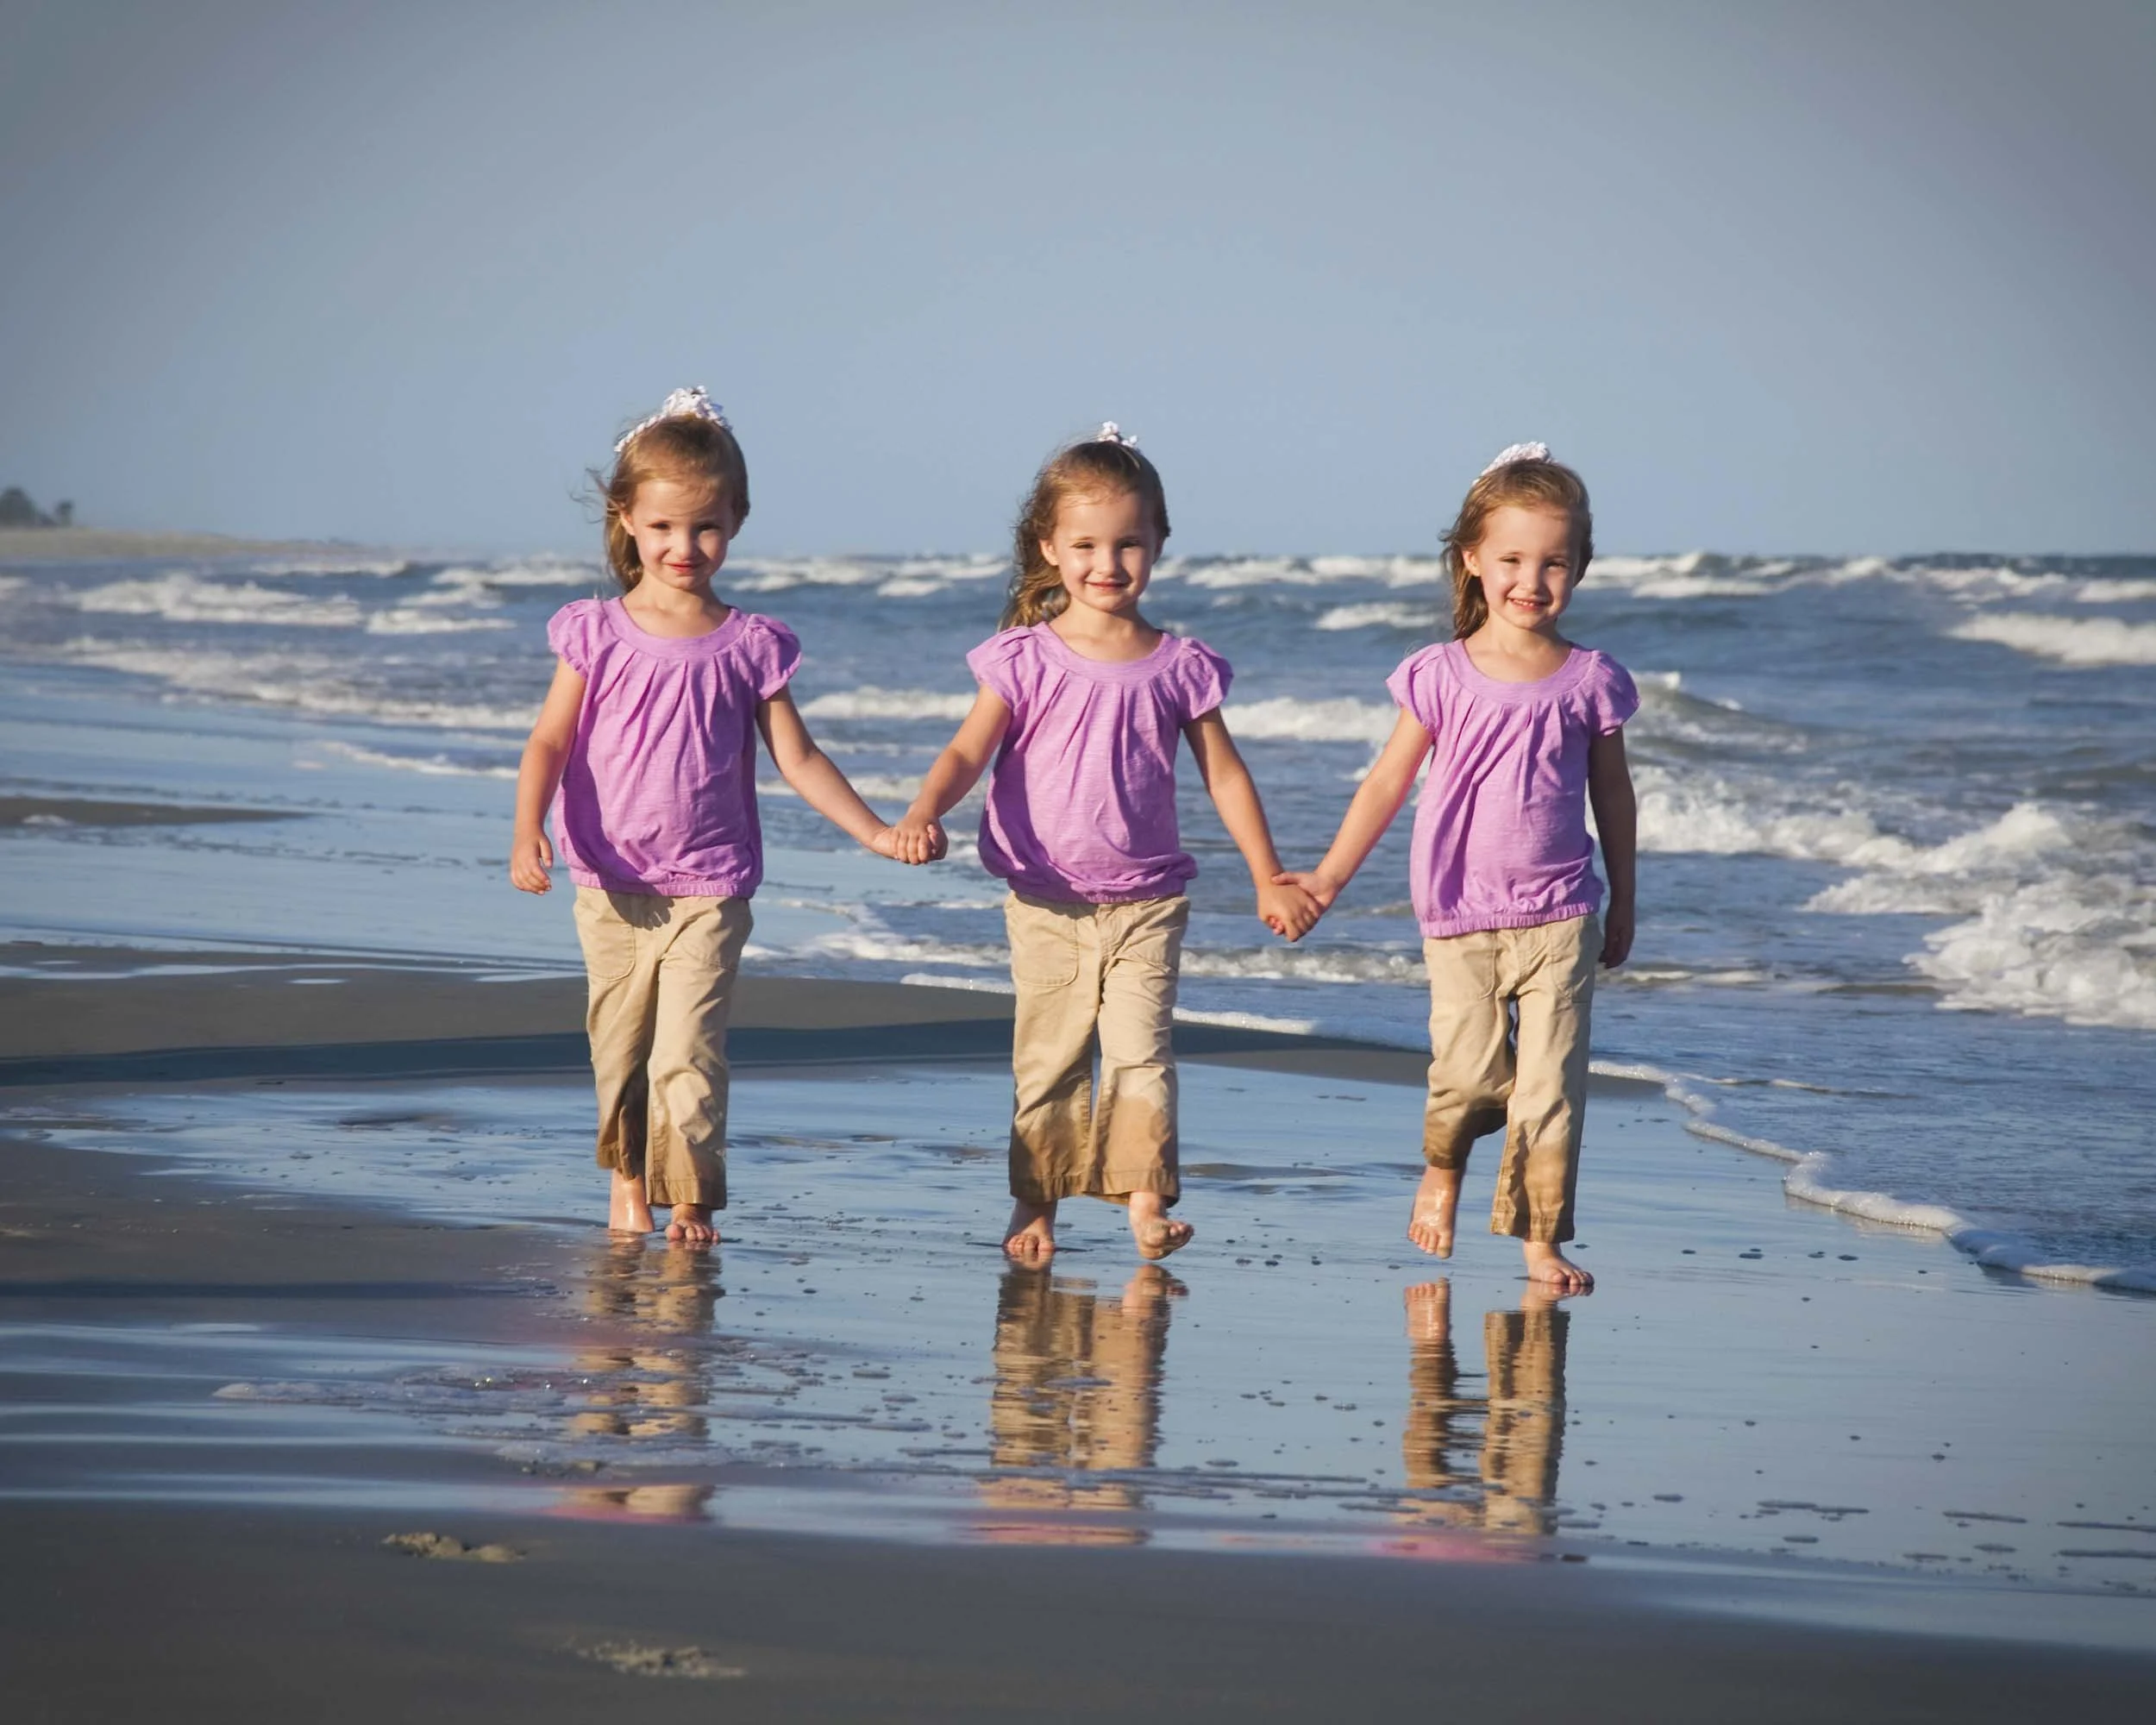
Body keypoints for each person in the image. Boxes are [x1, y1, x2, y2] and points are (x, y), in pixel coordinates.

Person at [890, 424, 1319, 1262]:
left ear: (1159, 542)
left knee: (1139, 1056)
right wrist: (922, 809)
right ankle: (1036, 1204)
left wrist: (1268, 874)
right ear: (1050, 547)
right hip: (1045, 901)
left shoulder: (1180, 665)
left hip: (1148, 899)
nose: (1107, 563)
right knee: (1048, 1059)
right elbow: (965, 751)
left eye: (1129, 543)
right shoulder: (1022, 660)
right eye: (1085, 544)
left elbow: (1225, 775)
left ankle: (1144, 1202)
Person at [510, 387, 917, 1245]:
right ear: (626, 518)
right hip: (609, 879)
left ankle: (689, 1194)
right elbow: (549, 739)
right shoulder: (595, 633)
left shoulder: (749, 644)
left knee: (686, 1051)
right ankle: (628, 1185)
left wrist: (876, 830)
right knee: (620, 1046)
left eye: (704, 527)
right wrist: (527, 828)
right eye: (661, 527)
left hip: (710, 882)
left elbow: (798, 758)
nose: (682, 546)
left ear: (736, 518)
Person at [1281, 442, 1637, 1291]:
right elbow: (1385, 782)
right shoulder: (1439, 676)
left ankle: (1538, 1239)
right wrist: (1327, 877)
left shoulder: (1591, 680)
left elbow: (1615, 799)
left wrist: (1623, 896)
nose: (1531, 580)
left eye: (1554, 562)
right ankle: (1442, 1167)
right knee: (1469, 1078)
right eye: (1511, 559)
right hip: (1461, 913)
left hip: (1560, 911)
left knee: (1549, 1090)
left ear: (1580, 568)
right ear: (1472, 560)